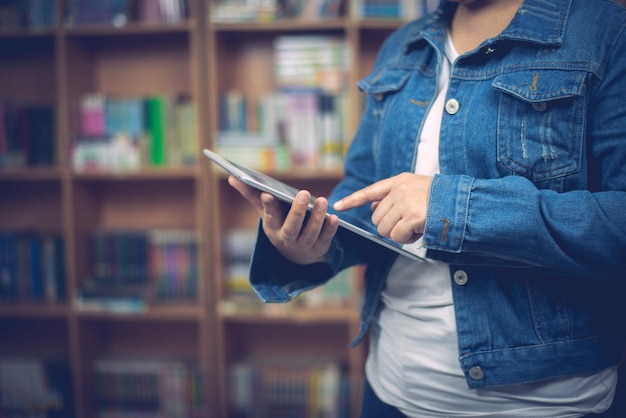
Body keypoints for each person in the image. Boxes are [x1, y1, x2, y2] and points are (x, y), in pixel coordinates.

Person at [228, 0, 626, 416]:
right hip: (390, 391)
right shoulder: (402, 45)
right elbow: (364, 197)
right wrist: (310, 246)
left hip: (546, 404)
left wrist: (452, 206)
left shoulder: (605, 31)